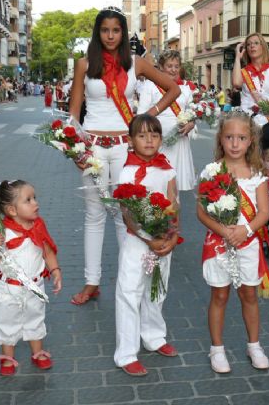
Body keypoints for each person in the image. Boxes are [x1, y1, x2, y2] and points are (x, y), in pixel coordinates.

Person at [68, 6, 180, 306]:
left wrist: (147, 116)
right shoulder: (83, 64)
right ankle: (92, 281)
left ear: (123, 32)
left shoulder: (136, 63)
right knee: (93, 215)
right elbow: (74, 112)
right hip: (92, 146)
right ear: (97, 32)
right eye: (104, 30)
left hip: (123, 147)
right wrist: (74, 149)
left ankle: (127, 277)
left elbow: (172, 88)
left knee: (122, 215)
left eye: (116, 30)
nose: (110, 36)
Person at [196, 111, 269, 373]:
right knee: (219, 294)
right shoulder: (212, 170)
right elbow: (201, 212)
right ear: (221, 139)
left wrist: (246, 230)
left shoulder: (257, 172)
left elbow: (264, 212)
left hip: (247, 243)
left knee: (249, 294)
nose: (235, 143)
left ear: (251, 140)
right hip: (218, 244)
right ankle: (216, 349)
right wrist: (223, 230)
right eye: (229, 137)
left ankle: (254, 345)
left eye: (241, 137)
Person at [113, 114, 181, 376]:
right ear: (131, 141)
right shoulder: (128, 172)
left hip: (164, 239)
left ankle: (154, 336)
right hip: (138, 241)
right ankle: (126, 352)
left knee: (157, 290)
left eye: (154, 135)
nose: (149, 140)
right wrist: (147, 238)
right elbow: (127, 213)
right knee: (130, 292)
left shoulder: (167, 168)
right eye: (142, 135)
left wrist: (173, 236)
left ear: (161, 139)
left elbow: (174, 204)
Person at [0, 180, 62, 376]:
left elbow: (48, 250)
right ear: (12, 210)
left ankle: (37, 352)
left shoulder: (38, 225)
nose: (35, 203)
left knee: (35, 318)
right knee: (7, 322)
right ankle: (8, 357)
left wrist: (55, 270)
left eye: (34, 198)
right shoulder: (2, 232)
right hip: (9, 289)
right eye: (28, 200)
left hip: (35, 285)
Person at [137, 50, 196, 192]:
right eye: (169, 66)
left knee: (174, 189)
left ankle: (174, 213)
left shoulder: (186, 89)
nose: (173, 70)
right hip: (158, 139)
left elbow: (192, 112)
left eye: (176, 66)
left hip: (179, 140)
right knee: (157, 186)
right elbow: (141, 115)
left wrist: (191, 124)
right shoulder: (150, 86)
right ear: (161, 67)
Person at [231, 32, 269, 124]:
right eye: (248, 44)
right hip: (247, 122)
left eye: (256, 43)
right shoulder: (243, 72)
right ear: (246, 50)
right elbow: (236, 83)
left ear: (262, 47)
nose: (252, 46)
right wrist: (237, 58)